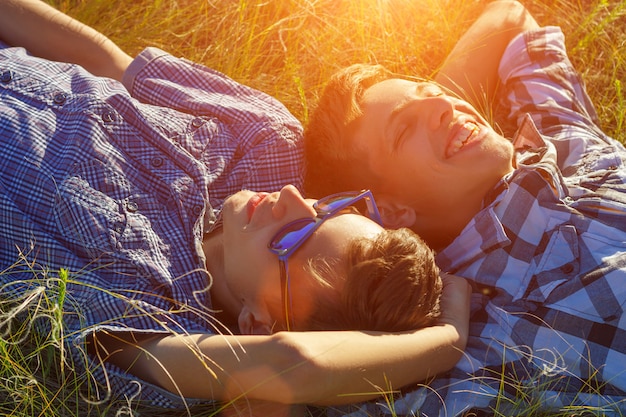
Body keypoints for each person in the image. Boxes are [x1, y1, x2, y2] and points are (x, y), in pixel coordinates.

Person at [0, 0, 471, 415]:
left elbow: (298, 365)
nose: (291, 198)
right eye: (327, 208)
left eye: (293, 238)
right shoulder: (267, 145)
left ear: (258, 321)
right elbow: (103, 60)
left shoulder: (160, 319)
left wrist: (447, 342)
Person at [304, 0, 626, 415]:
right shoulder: (483, 333)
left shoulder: (564, 140)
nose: (445, 105)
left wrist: (431, 118)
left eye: (437, 95)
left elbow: (510, 18)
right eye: (404, 131)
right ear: (393, 210)